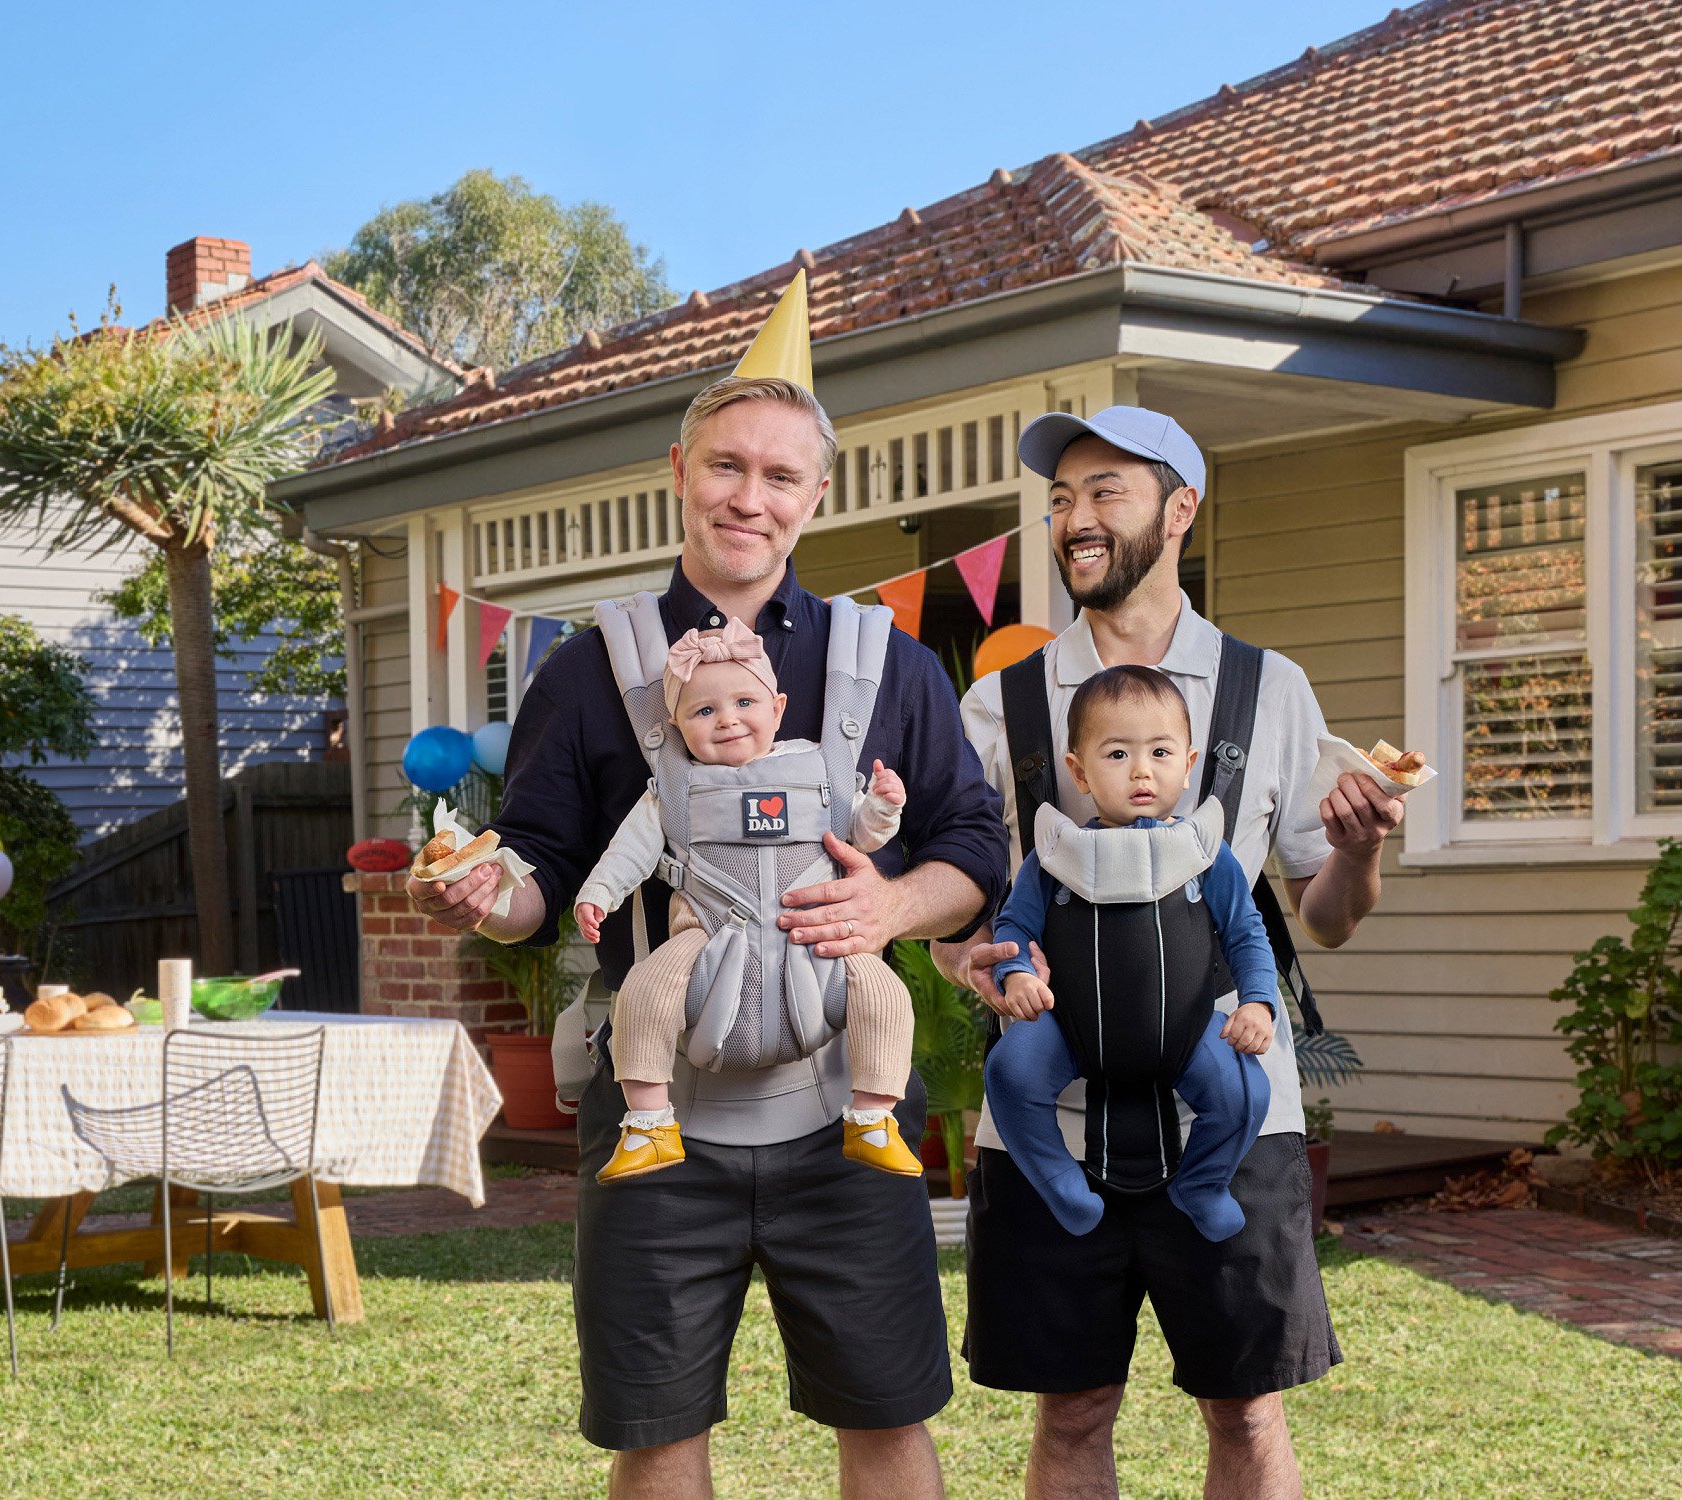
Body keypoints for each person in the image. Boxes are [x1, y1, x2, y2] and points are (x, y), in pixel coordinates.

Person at [409, 273, 1006, 1499]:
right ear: (678, 467)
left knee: (887, 1418)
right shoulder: (586, 671)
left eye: (780, 476)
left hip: (851, 1112)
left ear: (816, 496)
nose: (750, 496)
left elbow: (972, 849)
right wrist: (487, 892)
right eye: (727, 465)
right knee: (656, 1429)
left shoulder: (883, 661)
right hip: (654, 1118)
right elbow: (541, 872)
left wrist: (893, 906)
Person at [943, 404, 1404, 1500]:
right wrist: (973, 963)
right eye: (1059, 500)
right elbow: (962, 919)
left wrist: (1357, 857)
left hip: (1234, 1111)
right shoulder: (995, 705)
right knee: (1071, 1413)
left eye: (1105, 492)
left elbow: (1327, 914)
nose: (1074, 520)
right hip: (1044, 1128)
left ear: (1179, 508)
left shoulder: (1266, 688)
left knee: (1246, 1412)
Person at [574, 615, 921, 1183]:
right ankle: (648, 1122)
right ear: (677, 725)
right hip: (706, 944)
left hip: (815, 948)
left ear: (778, 709)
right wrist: (599, 894)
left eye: (744, 702)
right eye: (704, 711)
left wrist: (883, 805)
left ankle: (874, 1119)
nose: (727, 720)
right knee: (642, 992)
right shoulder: (676, 789)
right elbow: (629, 852)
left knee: (884, 994)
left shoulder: (818, 770)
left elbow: (859, 835)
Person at [984, 664, 1276, 1243]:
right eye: (1117, 754)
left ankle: (1203, 1184)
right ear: (1079, 771)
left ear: (1189, 765)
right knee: (1010, 1072)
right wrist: (1016, 973)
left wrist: (1259, 1003)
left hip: (1188, 1031)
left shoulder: (1206, 856)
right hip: (1070, 1029)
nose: (1142, 770)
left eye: (1161, 752)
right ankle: (1058, 1181)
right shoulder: (1054, 857)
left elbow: (1247, 933)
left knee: (1247, 1091)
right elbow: (1013, 926)